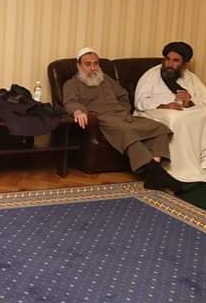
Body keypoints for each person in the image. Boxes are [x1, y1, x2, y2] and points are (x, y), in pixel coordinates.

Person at [62, 47, 182, 193]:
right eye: (88, 64)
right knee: (127, 132)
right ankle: (158, 174)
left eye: (96, 63)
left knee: (158, 127)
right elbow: (70, 102)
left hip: (123, 115)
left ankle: (153, 175)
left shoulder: (105, 78)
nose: (93, 68)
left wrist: (124, 110)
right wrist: (78, 111)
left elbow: (123, 95)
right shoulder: (72, 84)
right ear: (79, 65)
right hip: (103, 118)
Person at [133, 41, 206, 185]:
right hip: (154, 111)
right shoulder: (151, 75)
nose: (170, 64)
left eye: (175, 61)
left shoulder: (191, 78)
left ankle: (203, 163)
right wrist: (163, 105)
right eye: (167, 59)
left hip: (183, 111)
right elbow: (140, 101)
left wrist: (190, 101)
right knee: (175, 117)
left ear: (184, 63)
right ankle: (175, 165)